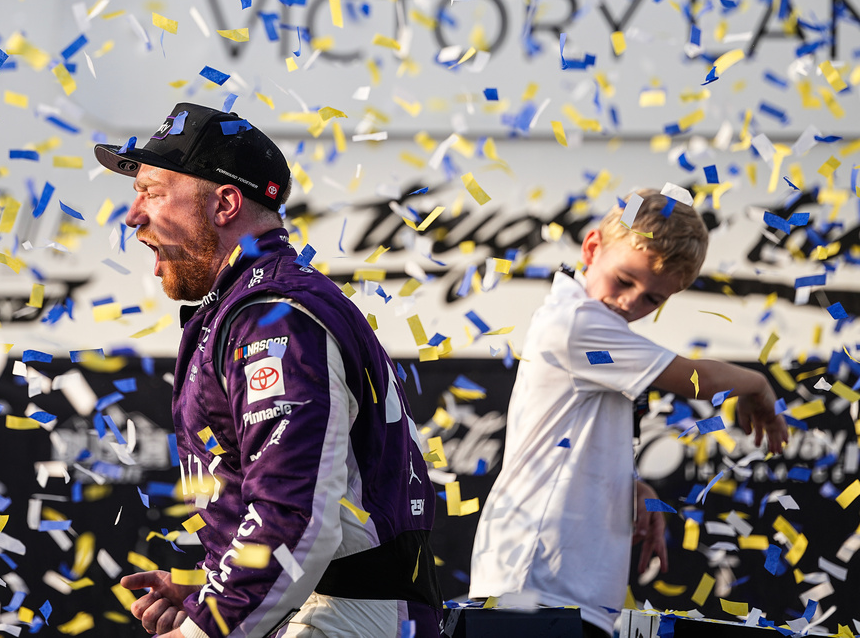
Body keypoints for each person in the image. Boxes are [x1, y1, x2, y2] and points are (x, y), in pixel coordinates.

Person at [93, 102, 443, 638]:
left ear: (226, 204)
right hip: (321, 607)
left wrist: (202, 629)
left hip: (342, 617)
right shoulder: (249, 304)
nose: (133, 216)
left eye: (153, 193)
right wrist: (208, 587)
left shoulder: (273, 316)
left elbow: (295, 514)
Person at [468, 189, 788, 637]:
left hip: (563, 590)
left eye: (652, 300)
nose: (629, 303)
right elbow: (700, 381)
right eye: (624, 281)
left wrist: (627, 487)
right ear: (592, 247)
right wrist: (758, 383)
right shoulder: (577, 322)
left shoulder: (592, 326)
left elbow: (575, 437)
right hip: (534, 586)